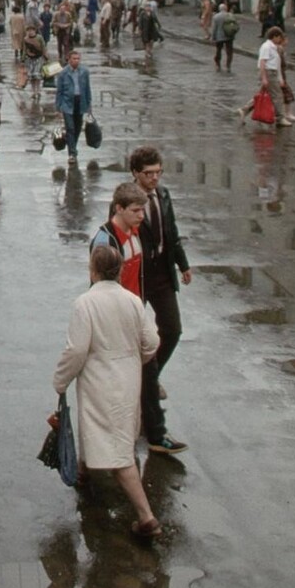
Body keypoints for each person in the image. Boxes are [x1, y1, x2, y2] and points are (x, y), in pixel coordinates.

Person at [52, 242, 164, 539]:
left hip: (99, 381)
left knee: (118, 453)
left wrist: (60, 381)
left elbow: (76, 350)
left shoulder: (85, 304)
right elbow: (151, 341)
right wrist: (132, 359)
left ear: (93, 270)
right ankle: (84, 468)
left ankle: (146, 517)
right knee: (114, 432)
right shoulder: (133, 301)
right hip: (127, 380)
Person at [90, 182, 186, 455]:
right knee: (125, 376)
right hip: (117, 318)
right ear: (119, 209)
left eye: (142, 210)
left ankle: (154, 434)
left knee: (149, 366)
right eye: (136, 211)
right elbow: (97, 283)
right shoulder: (105, 240)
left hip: (135, 312)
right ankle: (116, 440)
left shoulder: (134, 232)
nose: (141, 216)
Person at [129, 147, 191, 388]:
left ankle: (151, 376)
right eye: (148, 173)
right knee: (132, 335)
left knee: (172, 330)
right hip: (138, 277)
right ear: (135, 173)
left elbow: (171, 233)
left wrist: (183, 264)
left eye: (158, 172)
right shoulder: (125, 199)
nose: (154, 178)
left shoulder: (163, 195)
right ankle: (136, 383)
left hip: (163, 275)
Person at [240, 26, 295, 127]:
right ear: (274, 36)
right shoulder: (266, 47)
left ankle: (245, 109)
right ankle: (280, 118)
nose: (280, 40)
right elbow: (262, 62)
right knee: (277, 95)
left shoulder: (274, 48)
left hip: (273, 73)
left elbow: (277, 64)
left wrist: (280, 78)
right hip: (269, 73)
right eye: (279, 37)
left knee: (263, 95)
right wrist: (264, 77)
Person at [55, 48, 92, 164]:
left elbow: (87, 89)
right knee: (70, 128)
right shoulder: (63, 73)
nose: (76, 61)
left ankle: (72, 146)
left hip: (80, 102)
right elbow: (59, 91)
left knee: (77, 127)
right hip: (67, 103)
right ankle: (72, 153)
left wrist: (89, 104)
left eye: (78, 59)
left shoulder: (84, 72)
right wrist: (58, 108)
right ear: (69, 60)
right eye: (74, 59)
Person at [210, 4, 238, 72]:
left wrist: (213, 37)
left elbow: (214, 28)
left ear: (219, 9)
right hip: (229, 36)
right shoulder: (231, 15)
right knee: (229, 52)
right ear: (226, 8)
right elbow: (235, 26)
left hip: (219, 37)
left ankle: (218, 65)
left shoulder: (216, 17)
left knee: (218, 50)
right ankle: (228, 66)